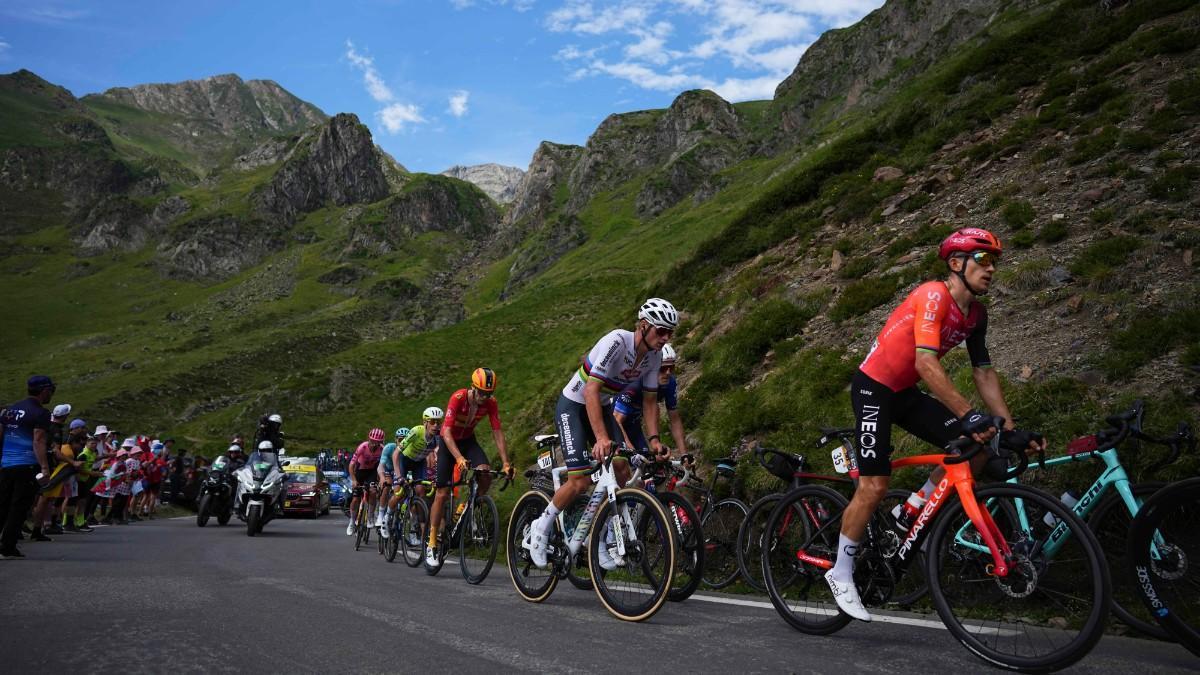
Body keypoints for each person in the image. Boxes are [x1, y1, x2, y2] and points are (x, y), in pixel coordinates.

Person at [825, 228, 1046, 622]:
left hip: (905, 392)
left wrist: (1009, 428)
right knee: (874, 485)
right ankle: (840, 573)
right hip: (874, 388)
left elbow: (984, 373)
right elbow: (926, 364)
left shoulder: (976, 315)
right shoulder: (933, 296)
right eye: (983, 260)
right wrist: (969, 414)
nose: (991, 269)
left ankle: (910, 510)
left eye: (995, 261)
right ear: (956, 264)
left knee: (975, 449)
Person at [523, 298, 676, 569]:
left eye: (670, 333)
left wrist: (654, 441)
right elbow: (591, 390)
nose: (665, 338)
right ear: (643, 326)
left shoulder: (653, 357)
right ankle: (540, 528)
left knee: (622, 470)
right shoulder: (617, 342)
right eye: (661, 331)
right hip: (574, 404)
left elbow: (651, 402)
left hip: (601, 405)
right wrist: (602, 437)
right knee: (580, 481)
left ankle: (603, 539)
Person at [426, 368, 513, 566]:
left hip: (468, 440)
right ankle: (431, 542)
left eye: (489, 393)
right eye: (481, 392)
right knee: (441, 491)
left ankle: (466, 507)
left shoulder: (491, 403)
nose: (484, 397)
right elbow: (446, 432)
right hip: (449, 444)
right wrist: (458, 458)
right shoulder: (458, 398)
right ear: (473, 387)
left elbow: (497, 431)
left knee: (485, 473)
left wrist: (506, 462)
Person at [0, 376, 56, 558]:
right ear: (44, 390)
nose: (51, 395)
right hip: (26, 465)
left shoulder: (9, 410)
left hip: (6, 463)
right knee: (19, 506)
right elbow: (38, 440)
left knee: (3, 504)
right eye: (51, 391)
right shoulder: (41, 412)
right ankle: (8, 546)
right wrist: (45, 468)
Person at [613, 343, 689, 458]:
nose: (668, 373)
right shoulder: (636, 383)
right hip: (613, 421)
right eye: (663, 368)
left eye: (671, 368)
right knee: (623, 466)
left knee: (649, 466)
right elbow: (616, 419)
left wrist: (684, 455)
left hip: (634, 422)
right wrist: (629, 447)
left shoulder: (670, 383)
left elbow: (675, 420)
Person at [381, 409, 442, 541]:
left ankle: (415, 525)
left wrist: (438, 477)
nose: (436, 425)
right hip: (405, 460)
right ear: (425, 422)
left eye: (438, 422)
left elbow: (439, 458)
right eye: (432, 422)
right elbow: (396, 454)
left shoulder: (438, 437)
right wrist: (398, 476)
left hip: (419, 463)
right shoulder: (416, 431)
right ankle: (386, 517)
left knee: (420, 491)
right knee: (398, 492)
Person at [346, 428, 385, 536]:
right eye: (372, 441)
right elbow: (351, 465)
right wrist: (354, 480)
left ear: (380, 443)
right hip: (360, 470)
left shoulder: (382, 449)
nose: (373, 445)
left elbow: (383, 464)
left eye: (377, 443)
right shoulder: (362, 447)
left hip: (372, 471)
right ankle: (352, 522)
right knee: (355, 499)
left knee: (372, 491)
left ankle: (370, 517)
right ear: (369, 439)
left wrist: (381, 478)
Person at [375, 427, 410, 536]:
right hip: (387, 469)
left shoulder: (410, 450)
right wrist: (382, 477)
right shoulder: (389, 448)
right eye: (400, 440)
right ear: (395, 440)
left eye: (405, 440)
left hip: (399, 471)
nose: (402, 442)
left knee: (402, 489)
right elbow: (381, 465)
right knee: (387, 484)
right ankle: (381, 515)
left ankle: (399, 514)